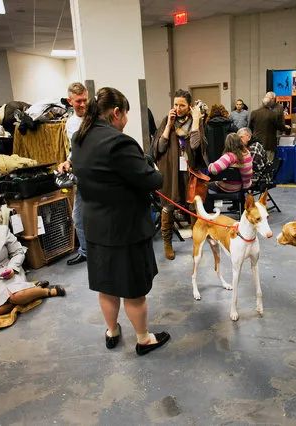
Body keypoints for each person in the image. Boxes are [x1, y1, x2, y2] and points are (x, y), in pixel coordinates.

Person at [71, 87, 170, 355]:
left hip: (95, 227)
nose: (126, 119)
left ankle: (112, 331)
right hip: (125, 229)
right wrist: (152, 168)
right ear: (116, 112)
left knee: (107, 286)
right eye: (125, 113)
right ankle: (143, 338)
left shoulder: (78, 139)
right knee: (133, 291)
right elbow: (152, 180)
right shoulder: (119, 142)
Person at [152, 89, 208, 260]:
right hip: (171, 171)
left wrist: (197, 121)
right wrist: (169, 125)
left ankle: (196, 244)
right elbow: (160, 148)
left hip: (190, 171)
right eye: (175, 104)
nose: (178, 108)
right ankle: (167, 244)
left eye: (182, 105)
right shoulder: (166, 121)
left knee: (192, 207)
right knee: (168, 205)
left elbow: (196, 146)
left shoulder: (195, 121)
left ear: (189, 106)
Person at [57, 82, 89, 266]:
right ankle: (85, 251)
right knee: (78, 217)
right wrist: (68, 161)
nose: (82, 105)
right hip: (83, 176)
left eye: (85, 100)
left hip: (97, 175)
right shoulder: (70, 123)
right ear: (70, 101)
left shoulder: (95, 118)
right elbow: (75, 149)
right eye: (78, 101)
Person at [204, 132, 253, 212]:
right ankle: (239, 207)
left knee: (206, 187)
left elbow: (213, 169)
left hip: (228, 188)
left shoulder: (229, 156)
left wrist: (210, 165)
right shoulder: (247, 153)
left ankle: (209, 213)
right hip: (242, 187)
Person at [249, 95, 286, 161]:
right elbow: (278, 126)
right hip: (269, 142)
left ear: (262, 103)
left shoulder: (254, 113)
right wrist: (285, 128)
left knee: (257, 161)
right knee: (268, 162)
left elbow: (250, 127)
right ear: (270, 104)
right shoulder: (273, 114)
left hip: (256, 142)